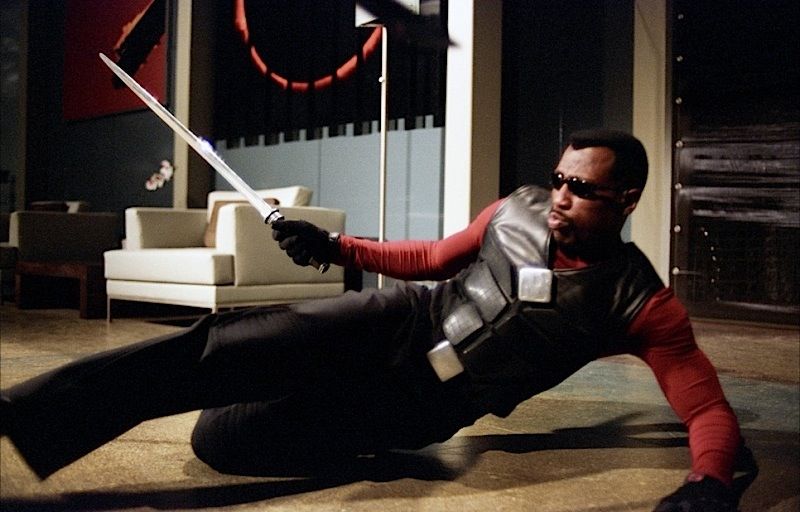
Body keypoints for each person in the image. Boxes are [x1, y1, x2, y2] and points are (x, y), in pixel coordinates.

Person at [1, 129, 752, 511]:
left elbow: (706, 407)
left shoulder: (639, 301)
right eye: (559, 178)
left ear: (626, 200)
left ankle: (351, 434)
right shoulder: (516, 207)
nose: (559, 196)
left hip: (424, 399)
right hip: (395, 320)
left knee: (220, 439)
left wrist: (711, 481)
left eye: (581, 188)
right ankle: (26, 415)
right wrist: (336, 247)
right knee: (219, 346)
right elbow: (431, 257)